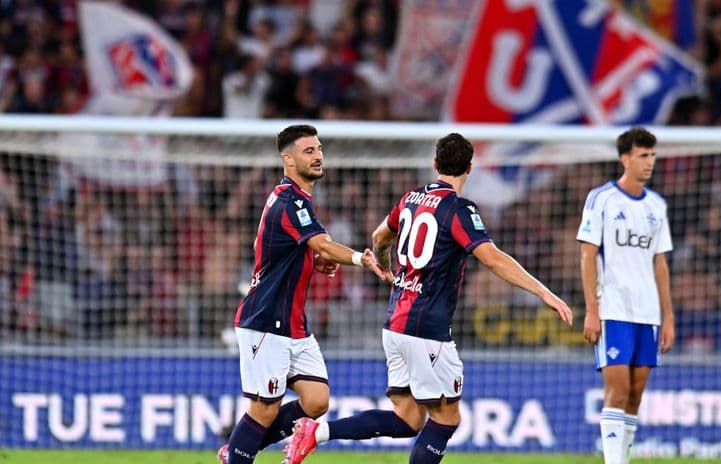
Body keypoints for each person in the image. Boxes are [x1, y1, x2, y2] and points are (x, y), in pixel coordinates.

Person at [282, 133, 573, 464]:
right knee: (447, 418)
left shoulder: (411, 198)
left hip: (395, 323)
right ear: (470, 169)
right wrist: (544, 291)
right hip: (427, 328)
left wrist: (388, 270)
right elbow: (491, 258)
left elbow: (379, 237)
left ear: (435, 165)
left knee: (408, 419)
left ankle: (315, 432)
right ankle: (314, 433)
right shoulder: (458, 209)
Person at [217, 124, 390, 464]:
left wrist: (311, 260)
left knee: (316, 400)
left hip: (293, 321)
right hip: (265, 319)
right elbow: (322, 243)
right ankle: (238, 454)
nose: (318, 156)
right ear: (288, 159)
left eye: (319, 149)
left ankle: (238, 448)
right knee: (264, 409)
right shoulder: (290, 201)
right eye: (309, 151)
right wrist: (361, 258)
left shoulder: (294, 200)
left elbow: (269, 246)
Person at [578, 127, 676, 464]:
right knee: (616, 391)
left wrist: (668, 317)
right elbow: (587, 255)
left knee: (635, 394)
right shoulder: (601, 199)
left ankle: (624, 458)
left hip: (647, 313)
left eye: (652, 155)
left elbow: (659, 262)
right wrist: (592, 309)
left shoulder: (656, 206)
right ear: (625, 159)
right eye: (642, 155)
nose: (649, 162)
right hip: (613, 309)